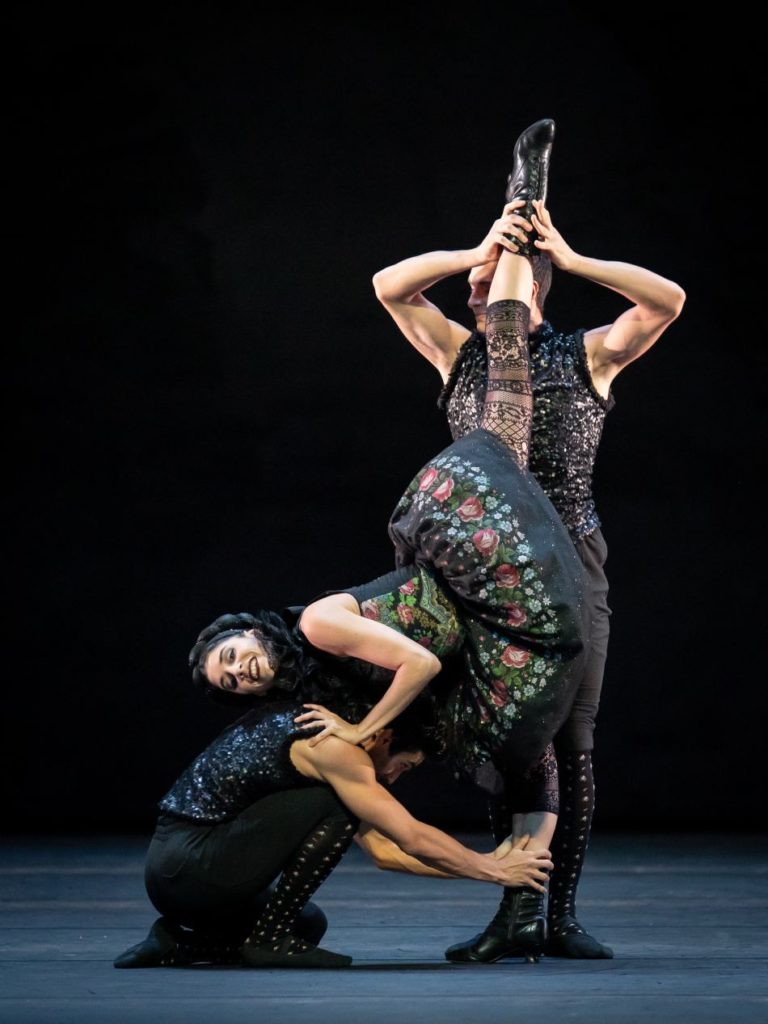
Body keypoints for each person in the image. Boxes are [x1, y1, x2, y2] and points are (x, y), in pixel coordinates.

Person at [187, 121, 589, 963]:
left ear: (252, 628)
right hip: (498, 586)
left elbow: (385, 283)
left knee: (506, 389)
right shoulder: (340, 728)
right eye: (235, 679)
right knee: (528, 740)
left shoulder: (323, 641)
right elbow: (388, 842)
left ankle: (527, 192)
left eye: (233, 655)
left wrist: (498, 236)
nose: (245, 670)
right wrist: (492, 868)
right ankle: (525, 913)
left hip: (505, 536)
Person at [370, 124, 686, 960]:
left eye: (490, 284)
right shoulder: (459, 357)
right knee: (512, 738)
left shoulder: (587, 357)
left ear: (530, 291)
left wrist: (571, 257)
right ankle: (512, 908)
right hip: (486, 568)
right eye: (475, 283)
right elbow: (390, 286)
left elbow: (666, 301)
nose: (475, 295)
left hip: (572, 559)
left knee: (571, 741)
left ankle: (561, 914)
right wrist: (478, 244)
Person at [113, 698, 552, 969]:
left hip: (182, 871)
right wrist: (493, 870)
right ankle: (267, 941)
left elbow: (386, 853)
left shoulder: (331, 746)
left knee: (307, 924)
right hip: (190, 862)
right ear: (383, 735)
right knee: (337, 807)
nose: (396, 778)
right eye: (405, 765)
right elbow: (410, 836)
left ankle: (180, 943)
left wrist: (486, 867)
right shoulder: (335, 749)